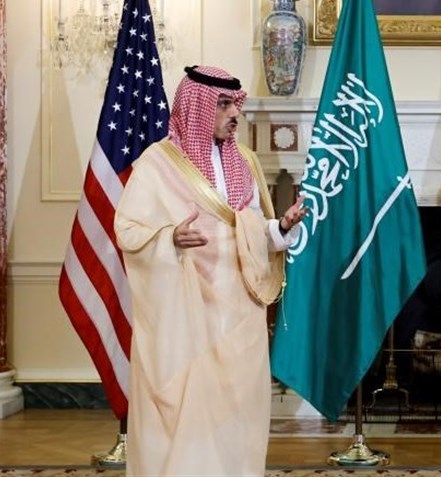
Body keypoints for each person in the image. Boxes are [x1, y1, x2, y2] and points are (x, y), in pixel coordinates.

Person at [115, 65, 307, 477]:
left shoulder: (245, 162)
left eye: (235, 104)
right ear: (196, 106)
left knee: (237, 414)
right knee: (190, 415)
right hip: (186, 316)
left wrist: (281, 227)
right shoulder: (158, 164)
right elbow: (128, 230)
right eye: (223, 104)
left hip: (239, 314)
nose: (234, 113)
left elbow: (250, 232)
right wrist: (169, 238)